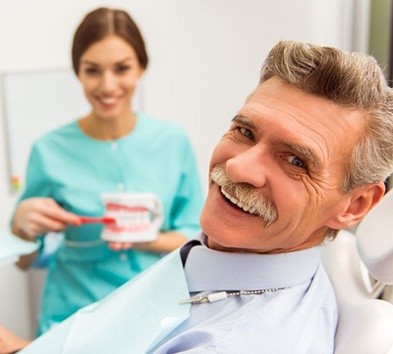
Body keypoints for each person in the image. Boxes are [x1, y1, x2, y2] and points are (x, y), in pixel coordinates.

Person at [6, 39, 393, 353]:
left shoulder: (223, 340)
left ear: (355, 205)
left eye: (295, 160)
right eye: (245, 131)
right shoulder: (224, 251)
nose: (239, 168)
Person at [9, 6, 204, 337]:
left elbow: (198, 240)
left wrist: (148, 239)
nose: (108, 85)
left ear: (142, 67)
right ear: (78, 72)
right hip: (71, 322)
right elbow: (25, 261)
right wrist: (21, 228)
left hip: (155, 318)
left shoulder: (172, 141)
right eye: (93, 70)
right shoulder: (48, 150)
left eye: (122, 68)